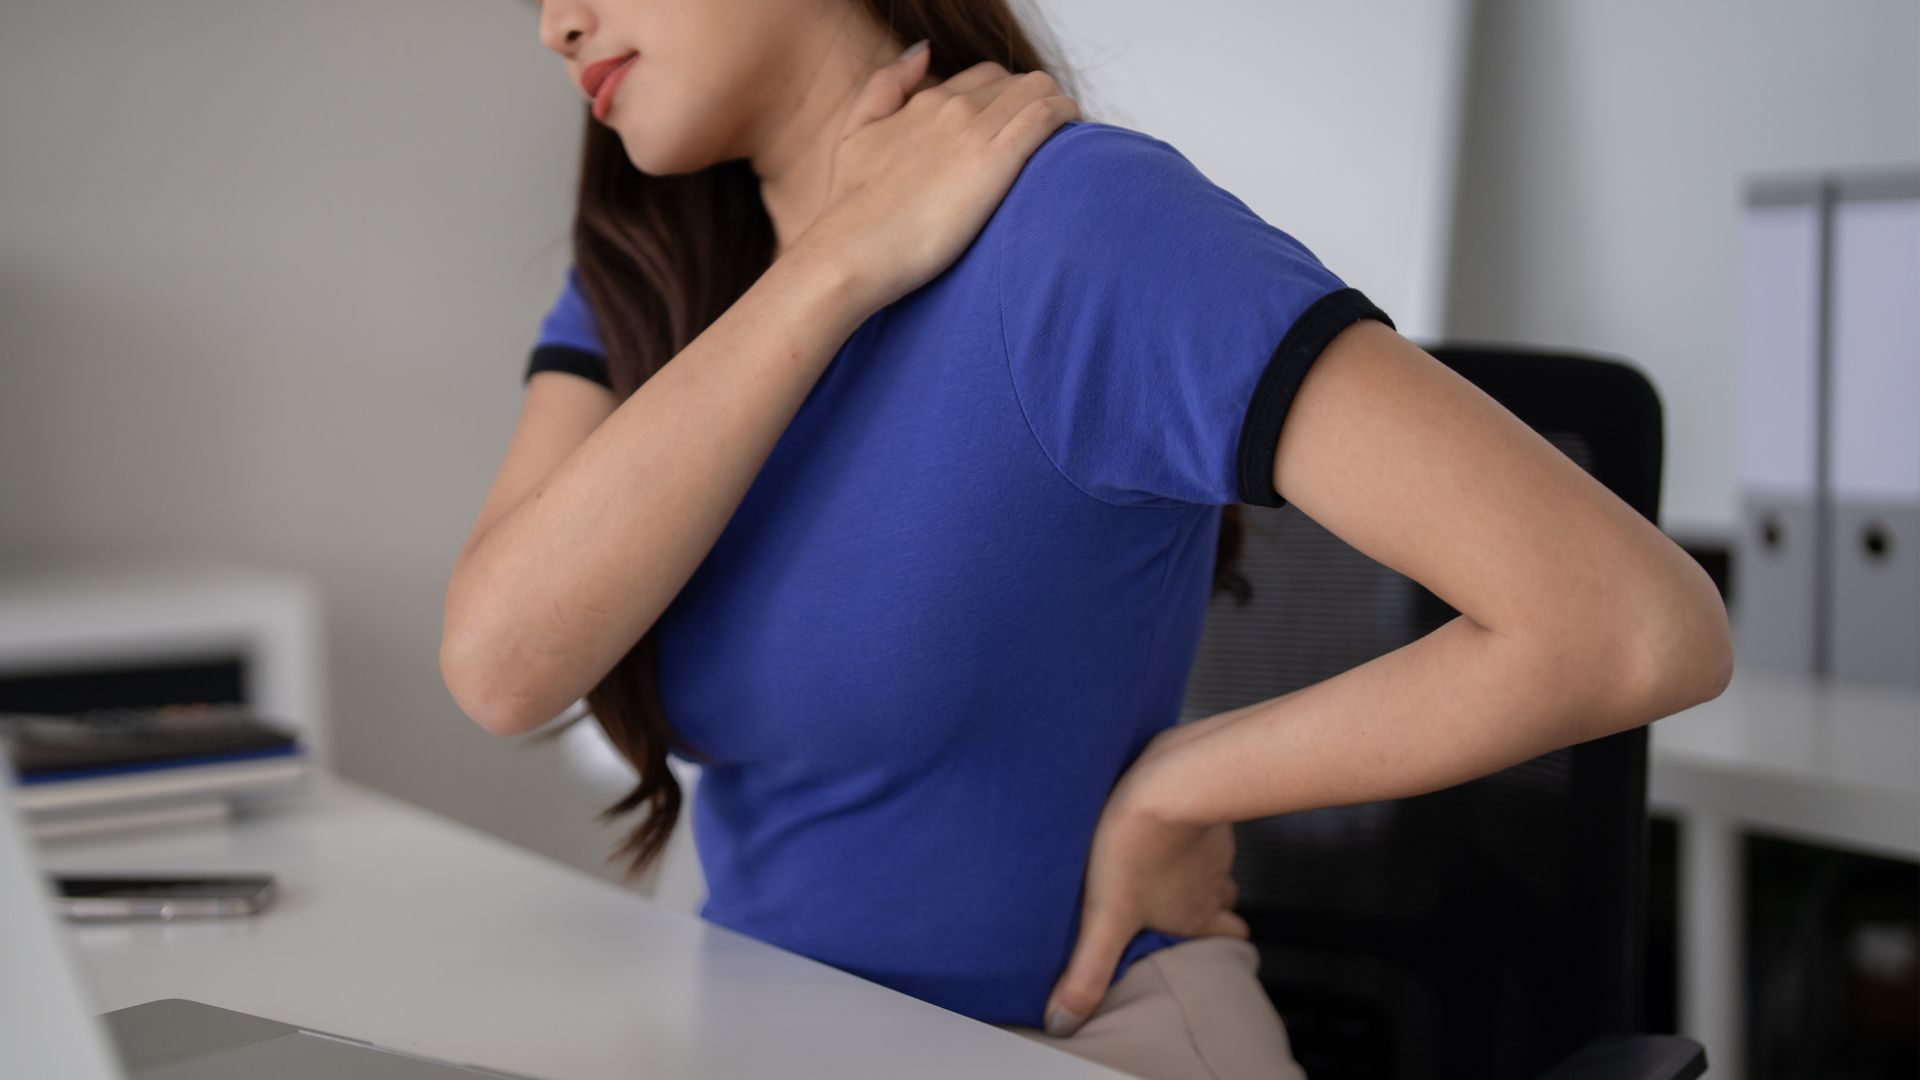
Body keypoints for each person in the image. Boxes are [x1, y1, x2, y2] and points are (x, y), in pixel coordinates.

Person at [440, 2, 1735, 1078]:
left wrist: (1181, 783)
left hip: (1076, 1039)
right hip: (772, 1034)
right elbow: (504, 666)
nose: (555, 23)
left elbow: (1629, 624)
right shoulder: (652, 274)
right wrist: (837, 264)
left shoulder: (1086, 231)